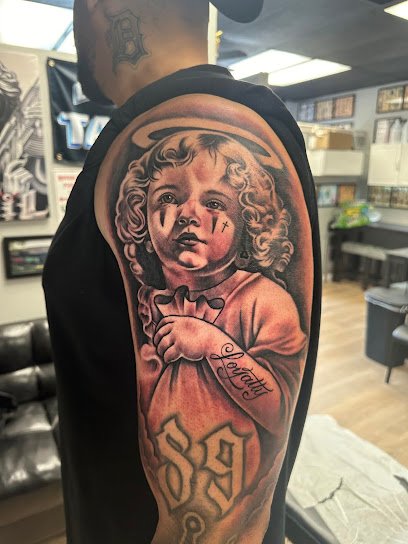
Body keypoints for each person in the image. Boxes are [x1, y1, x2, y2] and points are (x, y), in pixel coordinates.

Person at [43, 1, 321, 543]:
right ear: (142, 212)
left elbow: (268, 414)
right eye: (168, 197)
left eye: (215, 203)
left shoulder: (208, 128)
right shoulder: (158, 291)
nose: (189, 215)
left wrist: (212, 345)